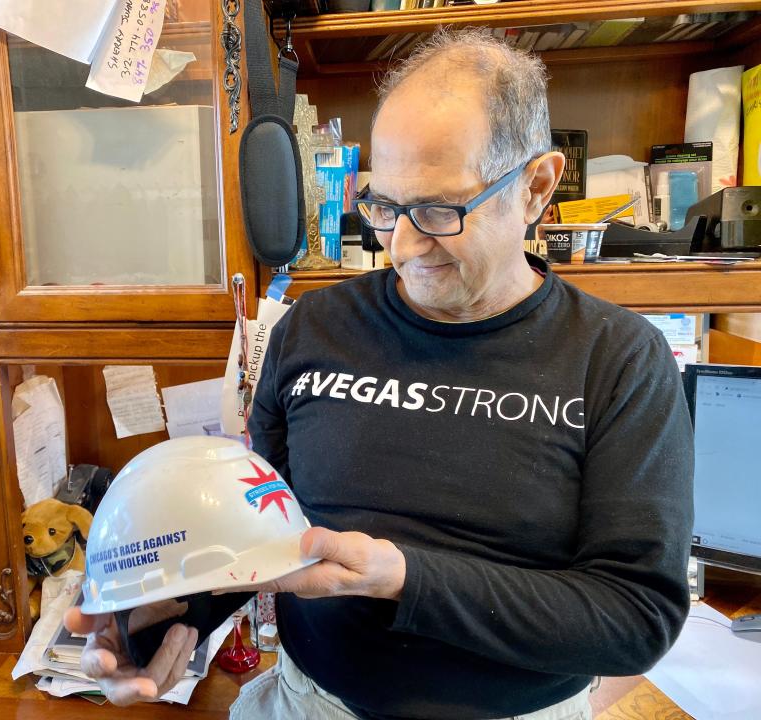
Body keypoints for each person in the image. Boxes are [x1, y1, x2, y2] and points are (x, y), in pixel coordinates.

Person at [64, 28, 694, 720]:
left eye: (437, 210)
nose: (403, 245)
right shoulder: (311, 329)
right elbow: (265, 535)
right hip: (310, 704)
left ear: (536, 187)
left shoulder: (617, 361)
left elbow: (635, 618)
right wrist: (168, 618)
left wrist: (405, 579)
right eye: (386, 208)